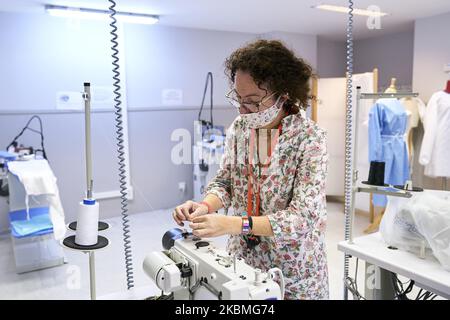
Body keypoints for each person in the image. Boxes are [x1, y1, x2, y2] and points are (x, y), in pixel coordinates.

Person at [173, 39, 329, 299]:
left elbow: (302, 218)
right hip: (242, 262)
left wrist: (233, 224)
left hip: (292, 269)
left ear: (284, 95)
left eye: (254, 101)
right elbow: (227, 182)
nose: (244, 109)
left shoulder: (310, 138)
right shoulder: (241, 128)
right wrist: (206, 207)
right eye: (238, 98)